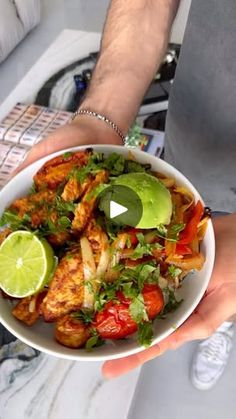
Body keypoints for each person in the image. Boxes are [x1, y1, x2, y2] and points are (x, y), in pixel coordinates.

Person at [18, 0, 236, 390]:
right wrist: (99, 115)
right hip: (199, 119)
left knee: (218, 292)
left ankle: (224, 324)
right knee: (194, 244)